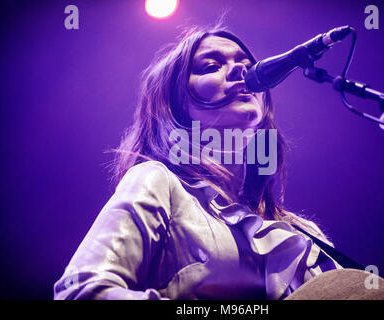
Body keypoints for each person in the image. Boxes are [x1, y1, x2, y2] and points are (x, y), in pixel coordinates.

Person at [53, 23, 342, 300]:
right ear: (177, 105)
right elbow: (80, 290)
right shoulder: (157, 181)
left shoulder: (306, 236)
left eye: (247, 63)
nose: (242, 69)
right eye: (211, 66)